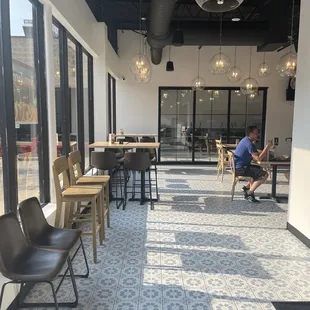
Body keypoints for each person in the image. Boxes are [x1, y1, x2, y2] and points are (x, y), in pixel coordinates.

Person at [234, 126, 273, 203]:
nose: (257, 135)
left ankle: (246, 187)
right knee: (264, 175)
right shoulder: (249, 144)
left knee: (259, 169)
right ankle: (249, 193)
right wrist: (267, 147)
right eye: (255, 133)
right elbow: (258, 159)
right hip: (241, 169)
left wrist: (262, 152)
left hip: (238, 167)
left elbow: (254, 154)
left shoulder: (244, 140)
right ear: (250, 134)